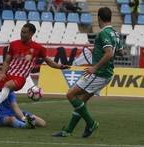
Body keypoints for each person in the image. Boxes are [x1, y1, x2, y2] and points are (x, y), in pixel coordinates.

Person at [52, 7, 123, 138]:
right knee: (82, 101)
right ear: (110, 18)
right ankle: (68, 131)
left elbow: (108, 54)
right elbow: (120, 52)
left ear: (99, 18)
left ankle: (91, 123)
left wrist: (95, 67)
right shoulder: (116, 33)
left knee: (70, 95)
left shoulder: (103, 33)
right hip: (107, 73)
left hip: (99, 73)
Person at [0, 23, 70, 122]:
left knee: (7, 85)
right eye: (21, 31)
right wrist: (3, 72)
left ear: (31, 34)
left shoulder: (38, 48)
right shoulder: (13, 44)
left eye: (24, 32)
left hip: (20, 77)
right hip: (8, 73)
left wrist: (59, 66)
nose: (22, 34)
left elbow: (48, 61)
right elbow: (7, 61)